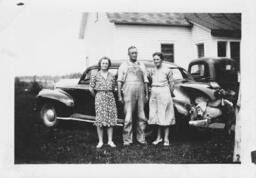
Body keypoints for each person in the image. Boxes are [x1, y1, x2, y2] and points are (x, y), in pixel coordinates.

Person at [117, 46, 149, 146]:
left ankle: (141, 139)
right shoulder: (124, 65)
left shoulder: (142, 65)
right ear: (128, 54)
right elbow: (119, 82)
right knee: (128, 117)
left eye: (135, 53)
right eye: (132, 53)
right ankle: (127, 140)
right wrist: (119, 96)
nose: (134, 55)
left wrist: (147, 94)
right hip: (128, 92)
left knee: (142, 116)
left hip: (141, 92)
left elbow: (146, 81)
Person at [89, 57, 118, 148]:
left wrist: (108, 93)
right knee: (100, 119)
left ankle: (110, 140)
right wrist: (97, 96)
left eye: (106, 63)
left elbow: (113, 87)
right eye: (103, 63)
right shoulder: (95, 75)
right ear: (100, 64)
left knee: (110, 119)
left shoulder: (112, 75)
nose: (104, 65)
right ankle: (100, 141)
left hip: (110, 97)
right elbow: (91, 88)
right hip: (99, 97)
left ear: (108, 65)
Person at [148, 52, 175, 146]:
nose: (155, 61)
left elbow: (172, 84)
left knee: (165, 116)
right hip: (154, 93)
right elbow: (149, 80)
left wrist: (170, 94)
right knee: (157, 116)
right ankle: (158, 138)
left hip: (164, 92)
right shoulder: (152, 70)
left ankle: (166, 139)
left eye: (157, 59)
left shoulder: (167, 70)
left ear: (162, 60)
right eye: (154, 59)